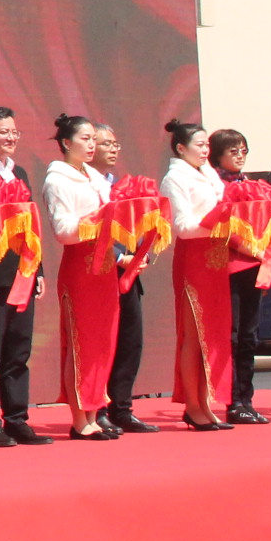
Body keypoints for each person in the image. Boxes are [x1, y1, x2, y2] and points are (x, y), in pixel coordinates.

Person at [42, 113, 123, 441]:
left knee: (103, 341)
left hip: (105, 268)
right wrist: (99, 220)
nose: (91, 145)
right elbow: (63, 231)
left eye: (93, 139)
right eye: (85, 139)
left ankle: (94, 411)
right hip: (80, 268)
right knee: (81, 342)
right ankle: (80, 418)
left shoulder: (95, 177)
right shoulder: (57, 179)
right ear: (66, 143)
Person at [0, 106, 47, 445]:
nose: (11, 137)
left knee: (19, 349)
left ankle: (17, 418)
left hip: (23, 271)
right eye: (4, 132)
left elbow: (31, 226)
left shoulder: (19, 172)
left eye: (14, 132)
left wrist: (38, 269)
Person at [158, 118, 231, 430]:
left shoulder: (208, 173)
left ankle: (205, 402)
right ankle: (192, 404)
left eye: (207, 145)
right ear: (180, 148)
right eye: (199, 145)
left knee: (211, 336)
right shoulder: (174, 178)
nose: (205, 150)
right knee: (193, 336)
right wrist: (216, 221)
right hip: (194, 260)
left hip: (216, 259)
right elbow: (182, 227)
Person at [93, 123, 155, 433]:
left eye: (115, 143)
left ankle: (122, 407)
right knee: (103, 342)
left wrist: (142, 252)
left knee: (130, 341)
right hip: (101, 272)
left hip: (130, 273)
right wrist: (119, 257)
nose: (113, 149)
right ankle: (98, 407)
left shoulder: (120, 185)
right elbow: (92, 228)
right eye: (105, 143)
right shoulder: (88, 185)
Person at [209, 128, 271, 425]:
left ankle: (247, 399)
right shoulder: (215, 185)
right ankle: (233, 401)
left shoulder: (254, 185)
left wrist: (265, 250)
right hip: (230, 266)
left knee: (250, 335)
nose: (240, 155)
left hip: (255, 265)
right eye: (233, 151)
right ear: (218, 154)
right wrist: (250, 248)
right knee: (231, 335)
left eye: (243, 150)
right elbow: (219, 225)